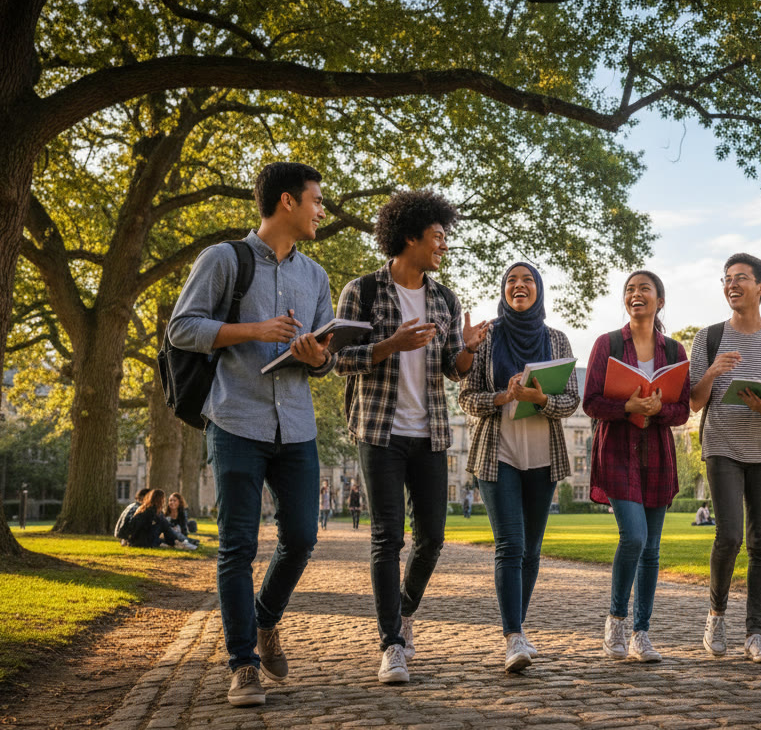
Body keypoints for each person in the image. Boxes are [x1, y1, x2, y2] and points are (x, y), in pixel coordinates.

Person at [169, 162, 337, 707]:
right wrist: (253, 330)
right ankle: (242, 664)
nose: (321, 210)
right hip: (235, 420)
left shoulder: (315, 276)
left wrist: (317, 357)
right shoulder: (223, 260)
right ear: (287, 201)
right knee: (238, 547)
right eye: (316, 199)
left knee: (303, 538)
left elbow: (325, 357)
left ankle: (265, 621)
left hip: (297, 425)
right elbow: (183, 328)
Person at [334, 188, 489, 685]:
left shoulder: (445, 298)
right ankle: (391, 644)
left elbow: (453, 370)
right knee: (387, 537)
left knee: (433, 539)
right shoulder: (362, 291)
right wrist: (390, 345)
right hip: (379, 431)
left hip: (430, 434)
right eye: (438, 236)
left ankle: (401, 610)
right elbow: (337, 360)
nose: (444, 245)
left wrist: (465, 350)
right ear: (409, 236)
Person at [458, 261, 580, 673]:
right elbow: (466, 398)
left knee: (531, 551)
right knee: (509, 545)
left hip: (543, 456)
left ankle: (519, 629)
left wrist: (540, 398)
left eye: (527, 280)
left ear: (539, 290)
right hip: (498, 454)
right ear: (503, 291)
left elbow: (571, 401)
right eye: (511, 280)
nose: (519, 285)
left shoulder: (557, 340)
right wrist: (502, 397)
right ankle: (512, 637)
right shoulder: (488, 339)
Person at [688, 253, 761, 664]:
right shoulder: (708, 337)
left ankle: (755, 633)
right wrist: (712, 372)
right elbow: (695, 403)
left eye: (741, 278)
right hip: (722, 446)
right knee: (730, 536)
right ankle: (716, 616)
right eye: (727, 279)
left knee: (759, 544)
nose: (731, 285)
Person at [583, 270, 690, 664]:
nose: (636, 294)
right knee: (634, 538)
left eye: (645, 288)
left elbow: (683, 410)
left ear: (660, 300)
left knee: (653, 549)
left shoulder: (675, 352)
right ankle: (615, 619)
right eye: (630, 289)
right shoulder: (607, 344)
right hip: (617, 451)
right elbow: (591, 401)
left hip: (658, 455)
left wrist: (661, 408)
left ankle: (641, 633)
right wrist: (627, 406)